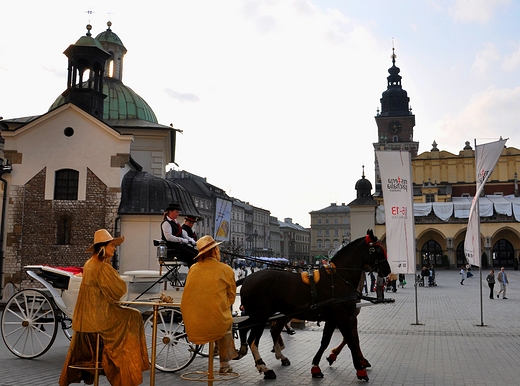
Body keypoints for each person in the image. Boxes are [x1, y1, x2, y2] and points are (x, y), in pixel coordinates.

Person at [59, 229, 150, 386]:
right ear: (103, 247)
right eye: (112, 245)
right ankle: (127, 368)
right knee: (134, 316)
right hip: (99, 318)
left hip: (86, 318)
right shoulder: (102, 267)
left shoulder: (89, 264)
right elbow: (119, 290)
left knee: (130, 315)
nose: (114, 248)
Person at [181, 235, 239, 374]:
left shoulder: (193, 269)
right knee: (225, 320)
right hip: (216, 324)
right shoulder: (225, 269)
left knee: (218, 315)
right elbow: (231, 297)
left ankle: (216, 347)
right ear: (215, 251)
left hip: (193, 323)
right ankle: (224, 363)